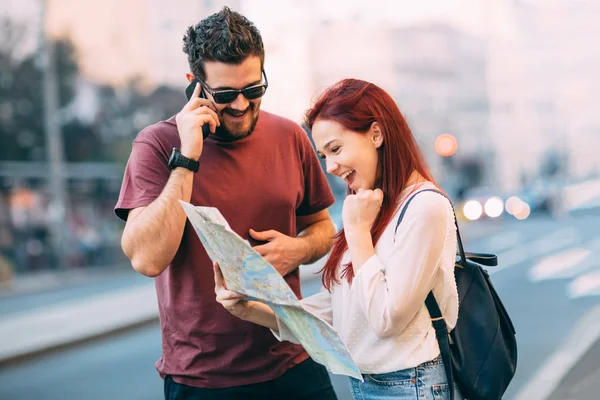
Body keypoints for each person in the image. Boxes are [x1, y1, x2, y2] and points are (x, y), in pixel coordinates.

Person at [115, 7, 338, 400]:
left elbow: (323, 230)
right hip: (202, 380)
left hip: (296, 362)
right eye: (224, 95)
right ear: (194, 84)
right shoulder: (154, 145)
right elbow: (147, 259)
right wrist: (186, 159)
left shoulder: (290, 137)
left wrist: (297, 249)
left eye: (252, 90)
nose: (240, 105)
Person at [215, 79, 465, 400]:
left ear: (376, 134)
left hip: (411, 384)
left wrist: (358, 232)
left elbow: (386, 319)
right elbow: (338, 312)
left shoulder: (425, 206)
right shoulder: (370, 204)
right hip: (367, 382)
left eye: (335, 149)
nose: (331, 167)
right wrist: (251, 309)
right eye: (323, 155)